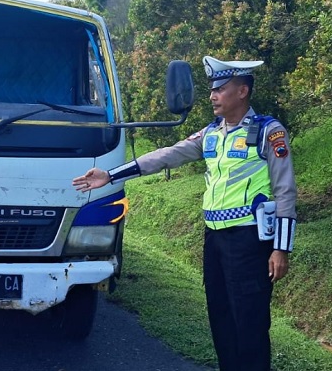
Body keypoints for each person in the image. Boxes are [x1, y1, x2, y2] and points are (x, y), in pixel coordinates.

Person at [73, 55, 297, 371]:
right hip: (214, 240)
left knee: (250, 322)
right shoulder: (212, 133)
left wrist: (281, 248)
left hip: (249, 241)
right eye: (212, 89)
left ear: (242, 91)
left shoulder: (268, 132)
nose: (212, 96)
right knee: (220, 317)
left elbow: (286, 191)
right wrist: (112, 175)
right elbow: (168, 156)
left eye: (220, 88)